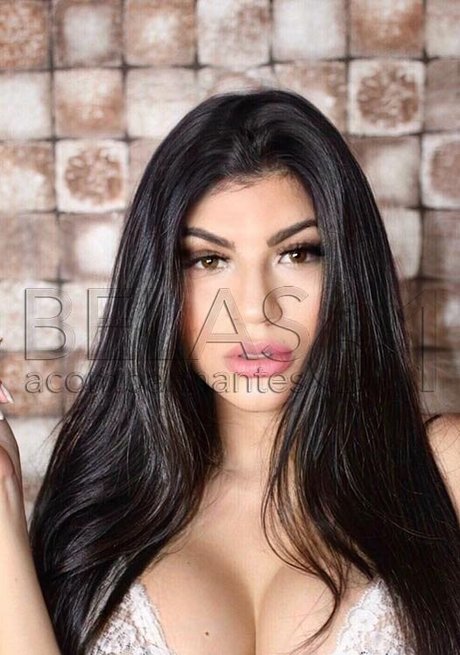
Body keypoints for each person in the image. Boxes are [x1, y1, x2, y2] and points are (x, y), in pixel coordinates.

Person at [0, 88, 459, 655]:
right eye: (209, 260)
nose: (255, 309)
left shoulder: (442, 470)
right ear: (159, 285)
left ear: (348, 268)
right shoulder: (99, 502)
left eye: (298, 253)